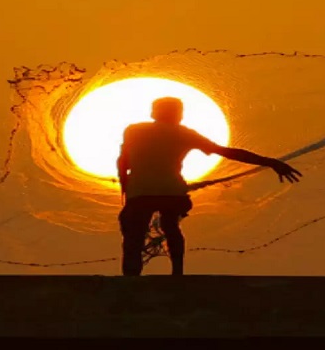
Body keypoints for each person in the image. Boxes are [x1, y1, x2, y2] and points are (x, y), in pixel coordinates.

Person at [117, 96, 302, 276]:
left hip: (140, 191)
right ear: (178, 115)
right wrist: (270, 162)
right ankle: (177, 274)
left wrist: (125, 187)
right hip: (172, 190)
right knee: (171, 226)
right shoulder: (185, 134)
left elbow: (123, 161)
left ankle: (131, 279)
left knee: (134, 234)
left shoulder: (134, 130)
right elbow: (226, 152)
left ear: (153, 114)